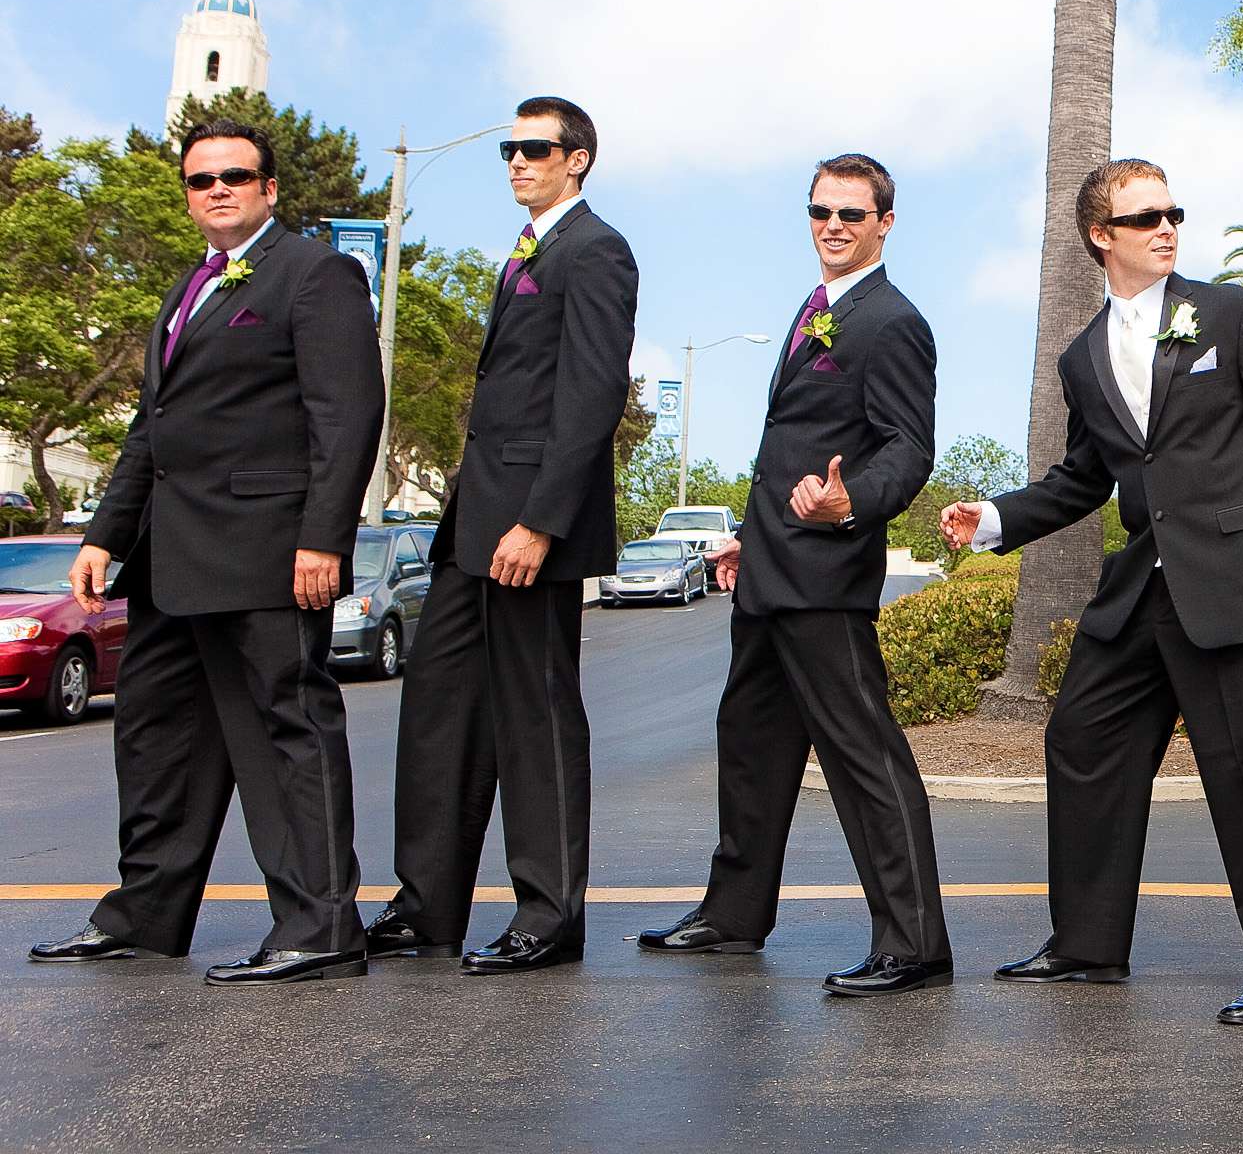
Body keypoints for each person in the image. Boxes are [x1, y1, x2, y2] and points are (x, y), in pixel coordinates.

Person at [938, 158, 1243, 1025]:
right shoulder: (1082, 357)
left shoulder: (1232, 315)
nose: (1167, 228)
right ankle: (1088, 945)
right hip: (1142, 588)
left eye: (1173, 212)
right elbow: (1087, 474)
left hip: (1241, 582)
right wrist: (994, 519)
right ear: (1102, 236)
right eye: (1145, 217)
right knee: (1081, 740)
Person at [32, 118, 383, 985]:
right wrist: (105, 535)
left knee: (284, 736)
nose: (217, 189)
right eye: (200, 179)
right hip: (168, 561)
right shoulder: (187, 289)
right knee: (155, 742)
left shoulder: (316, 273)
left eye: (236, 175)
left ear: (270, 187)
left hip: (267, 555)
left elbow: (347, 415)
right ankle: (145, 917)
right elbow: (154, 428)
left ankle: (320, 927)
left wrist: (322, 539)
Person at [639, 154, 951, 995]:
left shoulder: (892, 320)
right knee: (750, 746)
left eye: (852, 213)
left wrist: (846, 508)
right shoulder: (813, 310)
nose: (834, 225)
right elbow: (789, 446)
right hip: (769, 572)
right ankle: (735, 915)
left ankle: (915, 943)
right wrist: (749, 535)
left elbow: (907, 450)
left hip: (825, 578)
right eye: (821, 211)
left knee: (863, 759)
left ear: (886, 222)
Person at [368, 96, 639, 974]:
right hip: (471, 523)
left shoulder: (596, 250)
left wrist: (540, 522)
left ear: (579, 159)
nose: (518, 162)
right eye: (510, 151)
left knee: (537, 720)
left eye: (536, 149)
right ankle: (427, 907)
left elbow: (593, 396)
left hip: (528, 527)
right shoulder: (528, 250)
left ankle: (549, 917)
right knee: (439, 713)